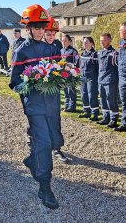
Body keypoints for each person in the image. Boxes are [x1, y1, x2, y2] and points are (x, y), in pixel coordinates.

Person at [10, 4, 61, 210]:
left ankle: (33, 160)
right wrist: (30, 82)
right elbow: (14, 82)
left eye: (42, 27)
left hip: (53, 104)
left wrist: (64, 77)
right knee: (43, 143)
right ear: (28, 28)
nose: (40, 31)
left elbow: (60, 73)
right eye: (36, 27)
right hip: (35, 106)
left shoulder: (53, 48)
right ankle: (44, 186)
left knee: (55, 141)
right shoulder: (21, 51)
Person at [43, 17, 70, 164]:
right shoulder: (37, 47)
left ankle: (57, 148)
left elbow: (59, 65)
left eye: (53, 34)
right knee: (39, 116)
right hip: (40, 89)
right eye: (48, 34)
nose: (50, 37)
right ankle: (33, 138)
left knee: (54, 117)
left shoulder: (56, 47)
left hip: (53, 89)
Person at [97, 33, 119, 127]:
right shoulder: (99, 52)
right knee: (102, 99)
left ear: (110, 40)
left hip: (110, 80)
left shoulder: (114, 53)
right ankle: (105, 117)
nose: (102, 42)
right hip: (101, 80)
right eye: (101, 40)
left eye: (104, 40)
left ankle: (113, 119)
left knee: (111, 100)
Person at [78, 37, 99, 121]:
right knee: (83, 94)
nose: (84, 44)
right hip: (83, 77)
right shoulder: (82, 54)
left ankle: (94, 113)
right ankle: (86, 111)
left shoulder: (95, 54)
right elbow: (79, 65)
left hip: (92, 77)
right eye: (84, 42)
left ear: (91, 43)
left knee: (92, 94)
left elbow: (98, 67)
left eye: (86, 42)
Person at [61, 34, 79, 113]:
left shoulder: (73, 51)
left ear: (70, 41)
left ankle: (72, 107)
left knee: (71, 90)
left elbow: (77, 62)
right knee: (65, 90)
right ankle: (66, 105)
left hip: (71, 74)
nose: (63, 42)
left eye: (65, 41)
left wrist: (72, 68)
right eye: (62, 41)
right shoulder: (61, 50)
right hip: (63, 73)